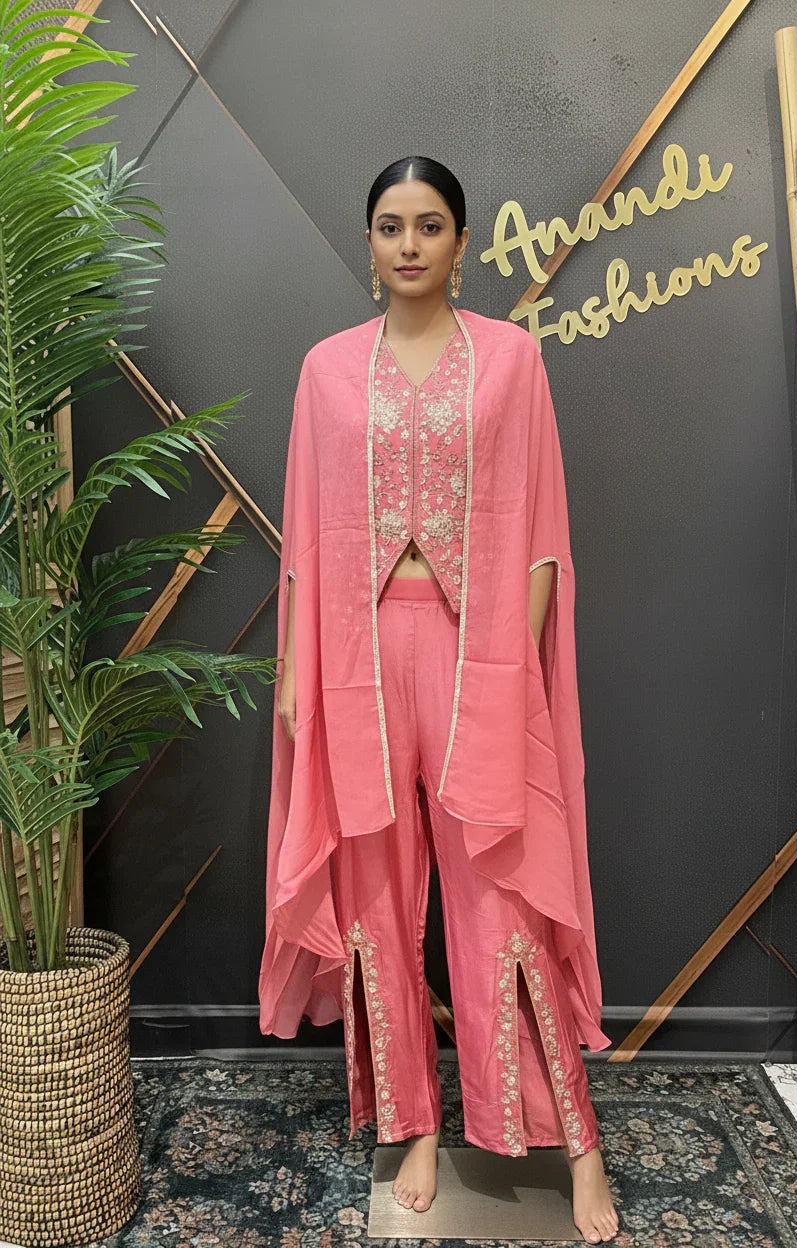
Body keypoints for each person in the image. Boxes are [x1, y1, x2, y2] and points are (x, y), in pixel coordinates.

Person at [258, 156, 619, 1245]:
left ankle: (575, 1146)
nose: (408, 243)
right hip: (357, 663)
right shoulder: (325, 372)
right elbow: (304, 536)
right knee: (375, 898)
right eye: (388, 226)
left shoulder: (511, 363)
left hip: (478, 661)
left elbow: (541, 531)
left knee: (501, 896)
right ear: (367, 247)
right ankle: (413, 1122)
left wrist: (515, 667)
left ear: (463, 244)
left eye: (429, 225)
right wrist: (290, 680)